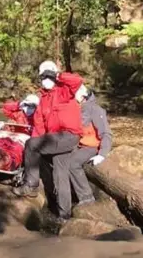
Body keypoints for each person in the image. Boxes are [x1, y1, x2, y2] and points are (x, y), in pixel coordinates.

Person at [12, 60, 84, 198]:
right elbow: (39, 127)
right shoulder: (43, 99)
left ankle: (31, 185)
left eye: (48, 77)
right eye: (43, 77)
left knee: (33, 146)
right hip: (55, 139)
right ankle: (64, 214)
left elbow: (77, 80)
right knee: (59, 172)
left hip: (69, 136)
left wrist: (57, 75)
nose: (45, 80)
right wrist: (31, 145)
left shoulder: (64, 90)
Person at [51, 84, 112, 219]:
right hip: (78, 146)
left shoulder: (95, 110)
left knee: (73, 163)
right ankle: (62, 200)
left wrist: (102, 154)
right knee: (60, 162)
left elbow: (106, 133)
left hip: (92, 147)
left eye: (74, 95)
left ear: (83, 96)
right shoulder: (75, 108)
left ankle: (87, 197)